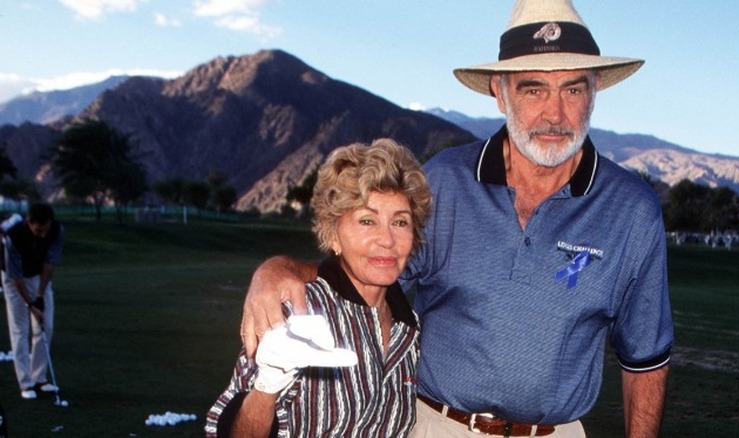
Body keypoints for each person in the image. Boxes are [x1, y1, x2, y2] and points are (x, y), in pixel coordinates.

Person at [238, 0, 674, 436]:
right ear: (500, 93)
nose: (555, 114)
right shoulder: (446, 179)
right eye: (533, 89)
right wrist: (280, 269)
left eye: (573, 90)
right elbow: (371, 267)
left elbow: (645, 357)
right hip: (435, 424)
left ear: (595, 90)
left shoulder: (631, 209)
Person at [206, 138, 432, 437]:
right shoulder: (299, 313)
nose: (387, 239)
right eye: (367, 220)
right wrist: (266, 388)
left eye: (400, 222)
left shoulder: (410, 328)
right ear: (333, 235)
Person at [2, 203, 64, 400]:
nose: (43, 235)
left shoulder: (56, 230)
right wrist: (30, 304)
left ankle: (40, 378)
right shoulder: (13, 236)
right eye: (38, 230)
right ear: (29, 222)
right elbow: (16, 277)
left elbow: (49, 264)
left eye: (45, 230)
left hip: (38, 276)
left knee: (46, 324)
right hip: (13, 279)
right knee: (20, 329)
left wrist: (39, 297)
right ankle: (26, 383)